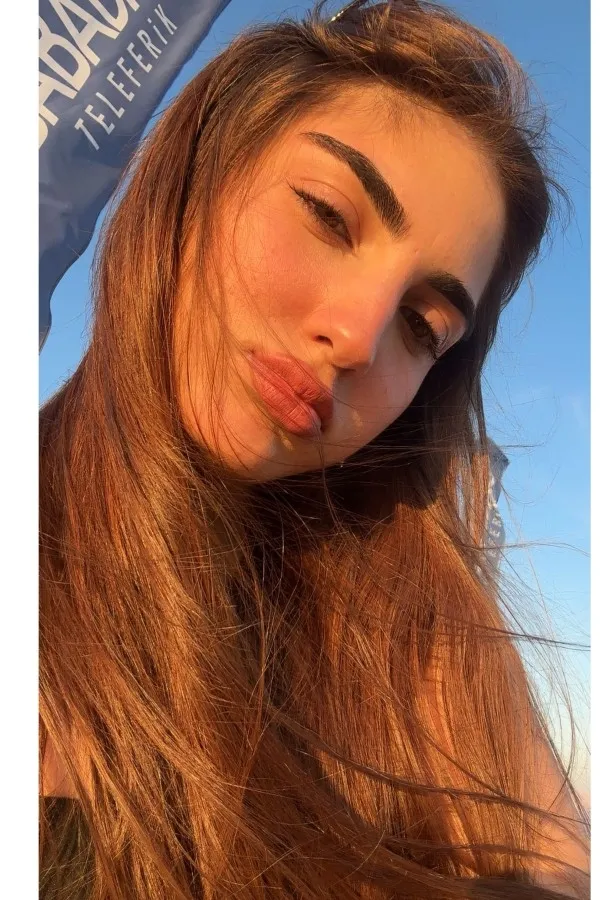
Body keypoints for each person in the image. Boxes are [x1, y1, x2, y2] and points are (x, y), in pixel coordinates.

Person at [39, 1, 590, 897]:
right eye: (330, 216)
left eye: (423, 325)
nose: (359, 336)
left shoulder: (416, 642)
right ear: (193, 179)